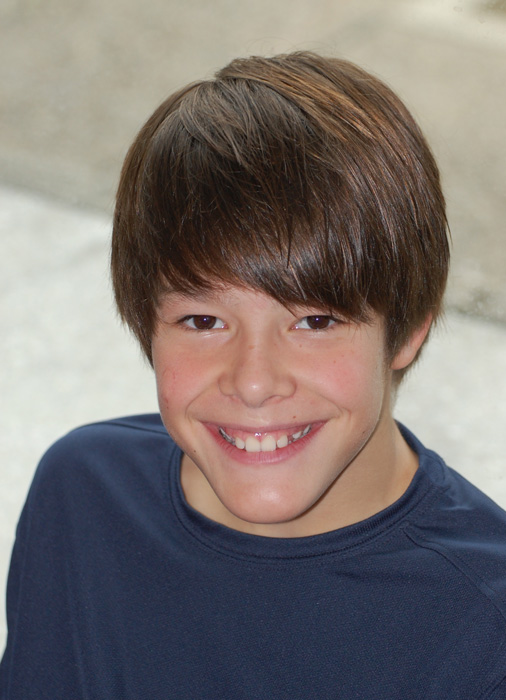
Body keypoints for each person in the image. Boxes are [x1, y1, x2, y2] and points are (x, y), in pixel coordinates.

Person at [1, 51, 506, 699]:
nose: (254, 381)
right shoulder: (83, 496)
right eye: (203, 321)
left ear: (408, 330)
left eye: (315, 321)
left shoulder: (484, 632)